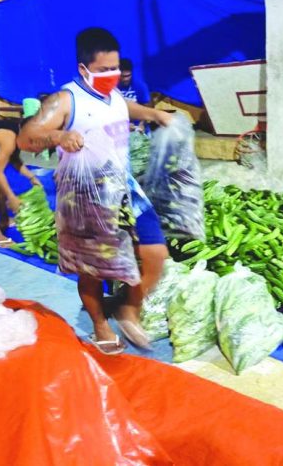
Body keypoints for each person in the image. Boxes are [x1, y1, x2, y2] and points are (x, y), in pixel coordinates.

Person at [17, 27, 173, 355]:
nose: (111, 75)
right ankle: (101, 326)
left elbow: (125, 110)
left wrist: (154, 113)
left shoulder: (115, 95)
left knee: (156, 252)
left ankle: (127, 307)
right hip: (83, 196)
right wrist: (58, 137)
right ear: (83, 69)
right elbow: (27, 136)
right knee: (92, 271)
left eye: (114, 68)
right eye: (103, 70)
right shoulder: (64, 99)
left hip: (124, 186)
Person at [118, 58, 153, 134]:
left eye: (128, 76)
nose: (125, 79)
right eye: (123, 76)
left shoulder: (140, 86)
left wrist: (142, 124)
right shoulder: (113, 87)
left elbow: (147, 107)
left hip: (138, 125)